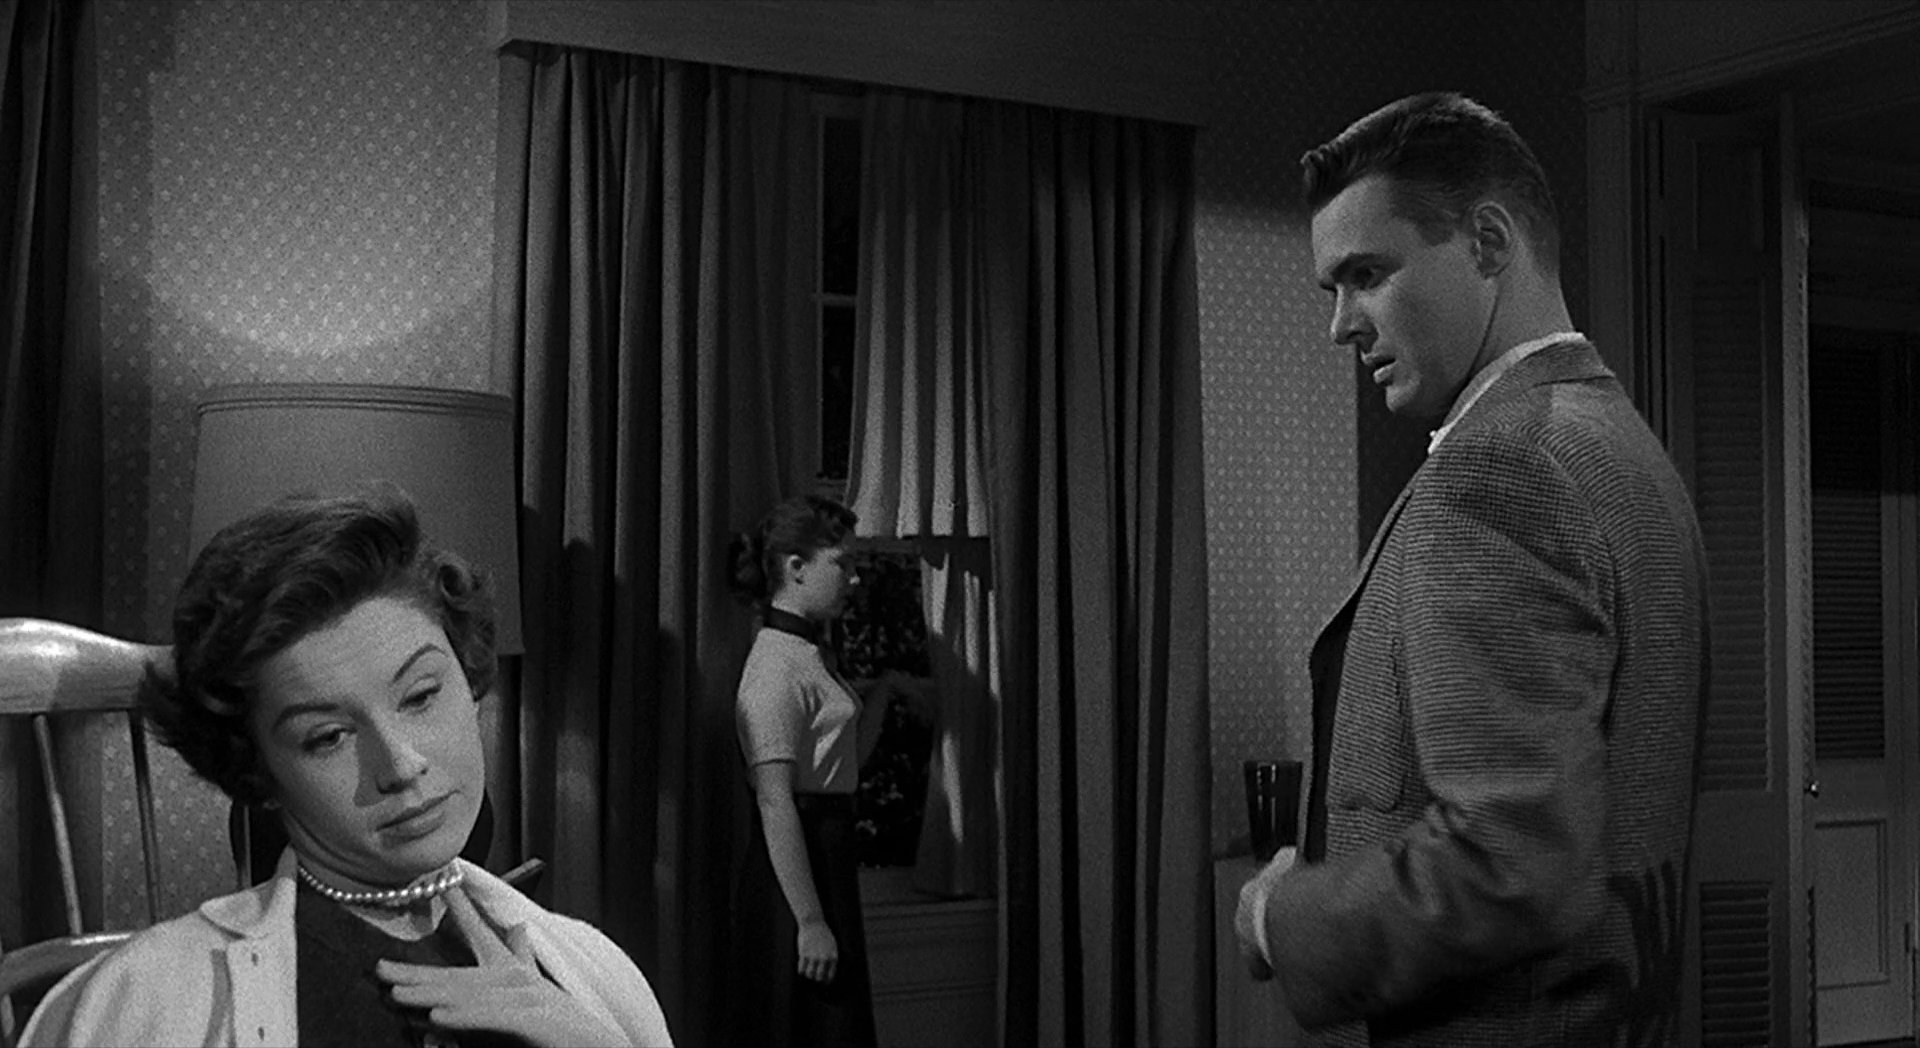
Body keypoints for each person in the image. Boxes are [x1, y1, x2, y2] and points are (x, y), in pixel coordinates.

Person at [1234, 92, 1708, 1045]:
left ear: (1489, 242)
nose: (1341, 325)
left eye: (1366, 274)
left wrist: (1280, 916)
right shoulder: (1622, 444)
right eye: (1333, 288)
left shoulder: (1503, 466)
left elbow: (1509, 860)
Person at [21, 487, 673, 1047]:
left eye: (421, 696)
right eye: (328, 737)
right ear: (256, 770)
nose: (402, 765)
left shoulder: (590, 969)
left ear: (469, 675)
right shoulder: (147, 1002)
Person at [725, 494, 894, 1048]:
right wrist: (810, 920)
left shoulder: (807, 655)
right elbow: (776, 800)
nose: (853, 579)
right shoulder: (775, 666)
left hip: (827, 854)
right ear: (796, 568)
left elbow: (843, 767)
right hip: (797, 870)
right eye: (841, 564)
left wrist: (886, 693)